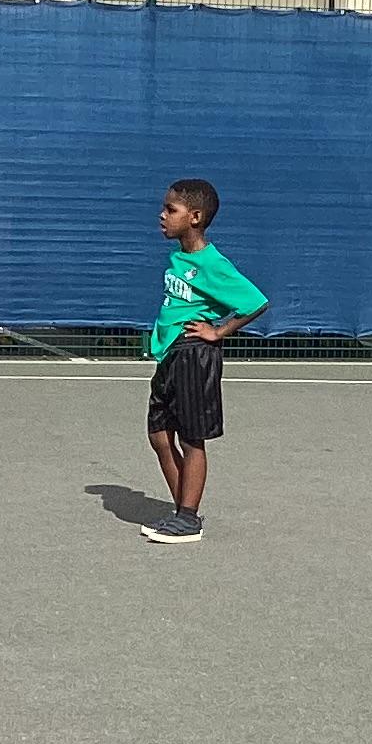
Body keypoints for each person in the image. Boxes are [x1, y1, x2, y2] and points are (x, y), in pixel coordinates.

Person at [141, 177, 266, 547]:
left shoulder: (212, 262)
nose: (162, 215)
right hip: (170, 355)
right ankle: (183, 510)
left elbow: (255, 302)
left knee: (191, 438)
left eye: (171, 209)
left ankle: (188, 519)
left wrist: (218, 331)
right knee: (159, 435)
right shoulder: (179, 258)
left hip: (194, 355)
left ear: (194, 217)